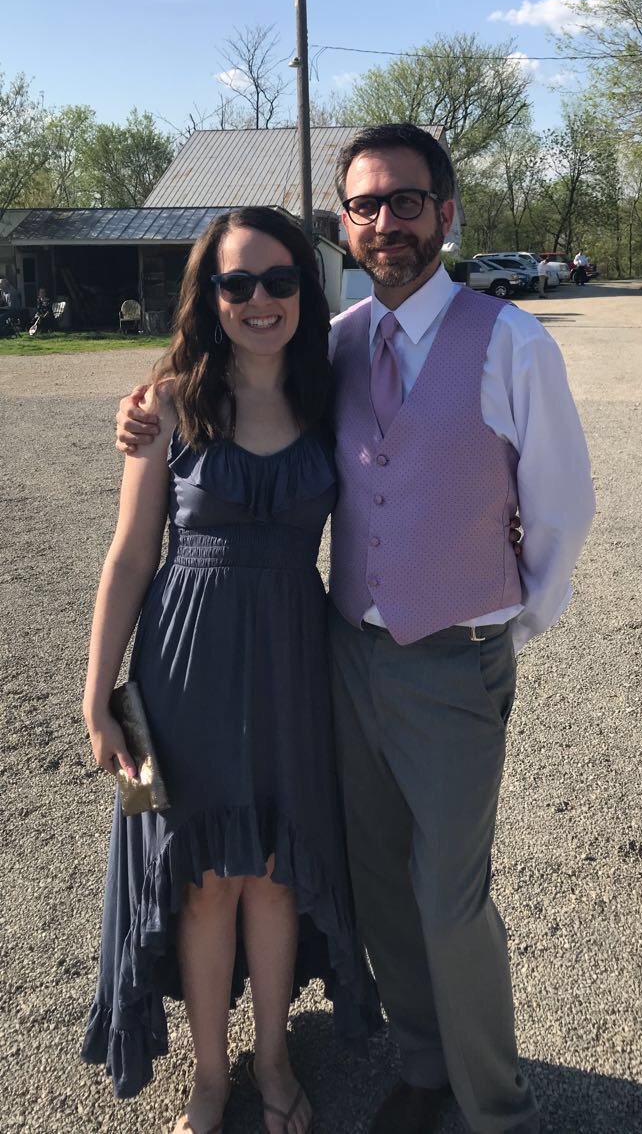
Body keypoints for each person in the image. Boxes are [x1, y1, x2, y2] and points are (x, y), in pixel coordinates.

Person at [117, 124, 595, 1134]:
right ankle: (421, 1063)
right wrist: (144, 412)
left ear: (445, 213)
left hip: (453, 659)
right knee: (377, 882)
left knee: (450, 896)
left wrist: (503, 622)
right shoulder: (328, 345)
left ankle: (496, 1106)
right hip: (338, 657)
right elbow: (223, 392)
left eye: (405, 201)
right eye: (366, 205)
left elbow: (561, 508)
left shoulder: (512, 342)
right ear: (346, 224)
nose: (386, 222)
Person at [83, 207, 379, 1134]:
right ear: (208, 297)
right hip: (186, 665)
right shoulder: (168, 403)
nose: (260, 300)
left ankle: (275, 1059)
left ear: (305, 291)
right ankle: (212, 1078)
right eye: (237, 282)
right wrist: (97, 696)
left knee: (281, 869)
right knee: (206, 876)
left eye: (279, 280)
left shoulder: (333, 391)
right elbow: (131, 556)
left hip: (296, 660)